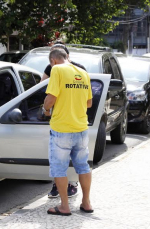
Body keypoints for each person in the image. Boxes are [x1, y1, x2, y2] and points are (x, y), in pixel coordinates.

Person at [43, 49, 93, 216]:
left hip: (62, 129)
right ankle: (86, 203)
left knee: (59, 168)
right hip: (81, 128)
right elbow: (89, 103)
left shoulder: (57, 70)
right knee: (83, 166)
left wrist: (45, 110)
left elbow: (50, 99)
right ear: (67, 57)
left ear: (53, 61)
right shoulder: (83, 73)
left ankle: (64, 206)